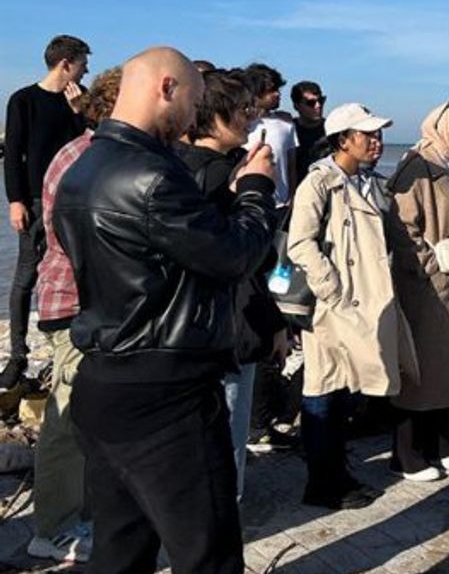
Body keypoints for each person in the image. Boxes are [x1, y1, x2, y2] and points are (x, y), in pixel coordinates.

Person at [54, 46, 276, 573]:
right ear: (166, 88)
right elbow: (234, 256)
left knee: (120, 548)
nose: (194, 116)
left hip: (105, 380)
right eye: (194, 101)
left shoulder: (81, 169)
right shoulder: (151, 175)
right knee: (207, 554)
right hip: (167, 394)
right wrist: (256, 189)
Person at [288, 102, 418, 509]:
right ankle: (323, 482)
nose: (377, 141)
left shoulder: (368, 182)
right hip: (333, 307)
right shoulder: (319, 183)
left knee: (346, 389)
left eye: (378, 134)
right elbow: (300, 243)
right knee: (323, 389)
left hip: (363, 304)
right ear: (343, 140)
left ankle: (336, 475)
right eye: (368, 134)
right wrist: (333, 290)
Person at [175, 69, 291, 501]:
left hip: (187, 333)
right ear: (215, 114)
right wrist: (257, 186)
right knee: (224, 444)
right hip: (223, 329)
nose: (252, 118)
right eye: (244, 109)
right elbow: (248, 258)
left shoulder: (172, 167)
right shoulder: (219, 175)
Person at [27, 67, 119, 563]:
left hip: (89, 303)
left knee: (88, 416)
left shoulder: (93, 155)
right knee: (67, 419)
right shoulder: (82, 159)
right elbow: (78, 239)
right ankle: (54, 528)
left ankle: (81, 515)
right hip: (73, 304)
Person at [386, 100, 449, 481]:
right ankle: (406, 453)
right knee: (421, 368)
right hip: (430, 286)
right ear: (444, 127)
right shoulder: (417, 166)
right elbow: (402, 226)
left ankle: (440, 443)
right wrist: (429, 266)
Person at [3, 34, 91, 389]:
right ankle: (17, 356)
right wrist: (15, 200)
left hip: (74, 201)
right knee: (25, 277)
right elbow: (13, 154)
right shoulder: (23, 100)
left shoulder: (81, 101)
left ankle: (65, 352)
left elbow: (92, 142)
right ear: (65, 64)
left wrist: (80, 112)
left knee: (75, 275)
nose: (85, 72)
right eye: (83, 65)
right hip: (35, 202)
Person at [245, 62, 297, 207]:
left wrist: (292, 197)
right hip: (248, 203)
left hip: (281, 205)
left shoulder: (286, 124)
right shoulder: (240, 124)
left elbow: (291, 166)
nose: (278, 94)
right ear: (256, 93)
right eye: (271, 90)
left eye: (278, 89)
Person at [291, 80, 327, 179]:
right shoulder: (288, 131)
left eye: (321, 101)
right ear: (296, 106)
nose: (318, 105)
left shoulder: (332, 130)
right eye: (311, 103)